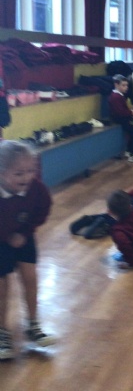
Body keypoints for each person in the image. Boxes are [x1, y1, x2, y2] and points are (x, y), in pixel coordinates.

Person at [0, 140, 55, 360]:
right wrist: (7, 237)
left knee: (30, 278)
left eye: (31, 171)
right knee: (1, 288)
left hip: (23, 236)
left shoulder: (36, 190)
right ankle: (2, 332)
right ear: (2, 173)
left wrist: (24, 233)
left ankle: (33, 325)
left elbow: (43, 209)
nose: (27, 178)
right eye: (19, 173)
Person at [108, 74, 133, 163]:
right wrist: (132, 112)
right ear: (116, 85)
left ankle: (129, 151)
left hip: (123, 117)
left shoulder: (119, 95)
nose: (126, 87)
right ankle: (132, 154)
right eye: (123, 85)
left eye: (127, 85)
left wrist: (131, 112)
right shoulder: (115, 96)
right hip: (119, 119)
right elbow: (120, 112)